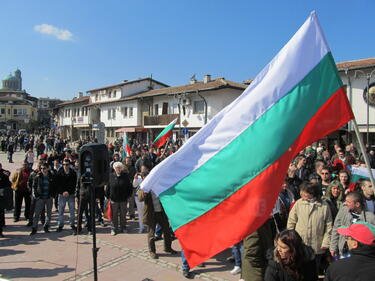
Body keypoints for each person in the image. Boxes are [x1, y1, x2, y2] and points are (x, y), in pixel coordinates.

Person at [287, 182, 332, 273]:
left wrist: (326, 242)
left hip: (317, 246)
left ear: (312, 193)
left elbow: (329, 226)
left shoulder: (324, 206)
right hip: (300, 245)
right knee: (299, 270)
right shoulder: (298, 204)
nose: (301, 193)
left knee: (313, 271)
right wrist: (291, 240)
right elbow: (291, 222)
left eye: (304, 192)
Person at [330, 191, 375, 258]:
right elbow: (336, 228)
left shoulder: (370, 217)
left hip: (361, 254)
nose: (345, 203)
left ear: (357, 204)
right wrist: (333, 247)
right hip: (343, 251)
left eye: (348, 202)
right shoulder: (343, 210)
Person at [138, 186, 177, 259]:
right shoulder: (145, 187)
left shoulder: (159, 185)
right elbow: (140, 198)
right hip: (151, 213)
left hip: (161, 212)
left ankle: (167, 248)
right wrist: (144, 193)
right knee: (151, 234)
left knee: (167, 231)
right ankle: (152, 251)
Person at [105, 162, 132, 235]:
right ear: (114, 169)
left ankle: (123, 227)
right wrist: (107, 197)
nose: (118, 169)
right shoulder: (111, 176)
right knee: (114, 215)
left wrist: (129, 195)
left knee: (123, 214)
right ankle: (114, 229)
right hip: (114, 199)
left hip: (123, 199)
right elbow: (108, 187)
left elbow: (129, 187)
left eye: (119, 168)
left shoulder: (125, 176)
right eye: (117, 168)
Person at [30, 163, 55, 235]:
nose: (42, 170)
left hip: (48, 197)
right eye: (41, 168)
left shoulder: (51, 176)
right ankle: (34, 228)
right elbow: (34, 186)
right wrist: (37, 196)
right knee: (37, 213)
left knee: (49, 213)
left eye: (44, 168)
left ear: (47, 168)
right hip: (40, 198)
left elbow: (54, 186)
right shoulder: (37, 176)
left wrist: (52, 195)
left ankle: (46, 226)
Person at [56, 159, 77, 234]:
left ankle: (72, 224)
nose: (65, 166)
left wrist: (69, 191)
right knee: (61, 210)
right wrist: (62, 192)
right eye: (64, 164)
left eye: (67, 164)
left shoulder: (73, 173)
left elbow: (74, 184)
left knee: (72, 211)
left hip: (70, 194)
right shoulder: (59, 173)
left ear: (69, 165)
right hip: (62, 195)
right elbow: (57, 184)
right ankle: (60, 224)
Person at [132, 165, 149, 233]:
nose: (143, 170)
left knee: (147, 212)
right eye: (142, 169)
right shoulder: (138, 177)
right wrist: (135, 179)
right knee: (140, 212)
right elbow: (134, 185)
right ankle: (141, 227)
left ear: (147, 170)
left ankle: (148, 227)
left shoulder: (149, 176)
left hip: (146, 197)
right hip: (138, 196)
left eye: (144, 169)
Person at [0, 164, 11, 237]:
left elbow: (8, 183)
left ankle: (0, 231)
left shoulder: (3, 174)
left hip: (1, 196)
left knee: (1, 213)